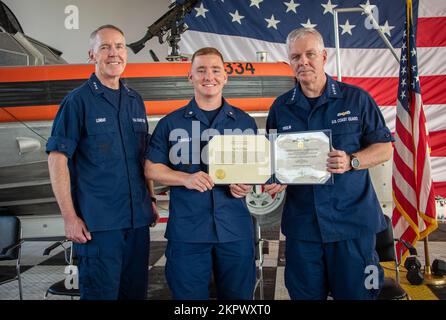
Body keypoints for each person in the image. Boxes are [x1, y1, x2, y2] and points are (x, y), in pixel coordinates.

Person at [265, 28, 394, 300]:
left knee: (357, 295)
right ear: (290, 62)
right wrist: (274, 178)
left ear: (324, 56)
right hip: (303, 228)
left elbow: (384, 149)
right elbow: (272, 160)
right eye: (296, 56)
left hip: (352, 225)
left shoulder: (356, 99)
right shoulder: (280, 107)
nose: (303, 62)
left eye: (310, 54)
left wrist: (352, 160)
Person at [46, 25, 158, 300]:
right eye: (105, 47)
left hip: (137, 223)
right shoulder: (77, 102)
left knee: (135, 295)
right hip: (99, 226)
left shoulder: (135, 101)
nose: (113, 53)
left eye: (119, 46)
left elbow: (142, 157)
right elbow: (57, 159)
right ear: (92, 55)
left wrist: (152, 198)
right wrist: (69, 218)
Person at [144, 47, 256, 300]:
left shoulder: (244, 122)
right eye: (201, 70)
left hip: (234, 231)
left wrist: (246, 184)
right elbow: (151, 168)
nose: (209, 76)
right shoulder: (170, 123)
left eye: (216, 70)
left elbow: (254, 170)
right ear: (190, 77)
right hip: (188, 233)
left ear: (225, 77)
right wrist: (185, 178)